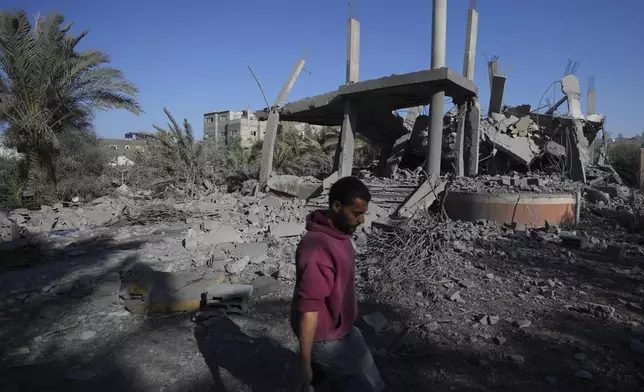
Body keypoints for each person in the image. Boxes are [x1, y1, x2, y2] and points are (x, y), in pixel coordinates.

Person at [291, 176, 385, 392]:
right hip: (324, 337)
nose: (362, 220)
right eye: (357, 213)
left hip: (343, 327)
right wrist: (304, 362)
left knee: (374, 380)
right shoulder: (316, 250)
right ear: (336, 206)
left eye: (364, 213)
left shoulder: (339, 234)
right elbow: (309, 310)